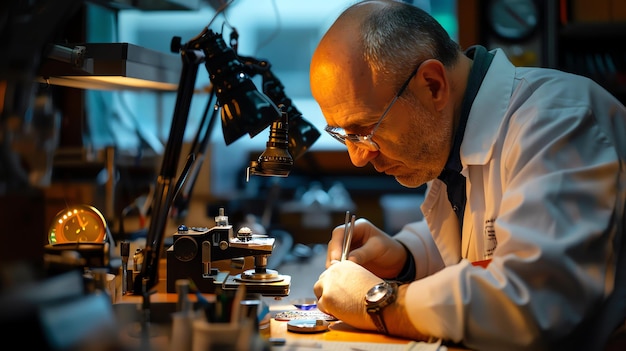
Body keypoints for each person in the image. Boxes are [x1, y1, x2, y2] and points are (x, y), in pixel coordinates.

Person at [310, 1, 626, 350]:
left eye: (366, 130)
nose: (357, 157)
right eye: (344, 136)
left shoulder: (557, 123)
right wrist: (406, 257)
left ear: (432, 85)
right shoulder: (453, 135)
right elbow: (492, 231)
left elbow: (529, 303)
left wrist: (380, 302)